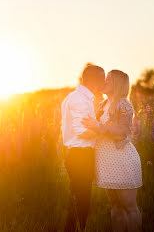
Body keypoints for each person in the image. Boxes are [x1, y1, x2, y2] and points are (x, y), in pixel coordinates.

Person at [82, 70, 143, 232]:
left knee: (129, 206)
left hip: (122, 159)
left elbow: (122, 132)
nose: (104, 81)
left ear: (116, 84)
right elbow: (95, 129)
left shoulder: (123, 104)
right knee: (115, 206)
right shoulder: (103, 104)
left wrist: (98, 127)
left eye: (108, 79)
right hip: (108, 162)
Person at [61, 65, 105, 232]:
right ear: (95, 81)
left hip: (75, 154)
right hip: (81, 156)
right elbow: (82, 132)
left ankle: (72, 229)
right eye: (102, 79)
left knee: (76, 200)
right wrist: (102, 129)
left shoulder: (76, 97)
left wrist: (96, 122)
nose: (104, 83)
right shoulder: (80, 100)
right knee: (82, 200)